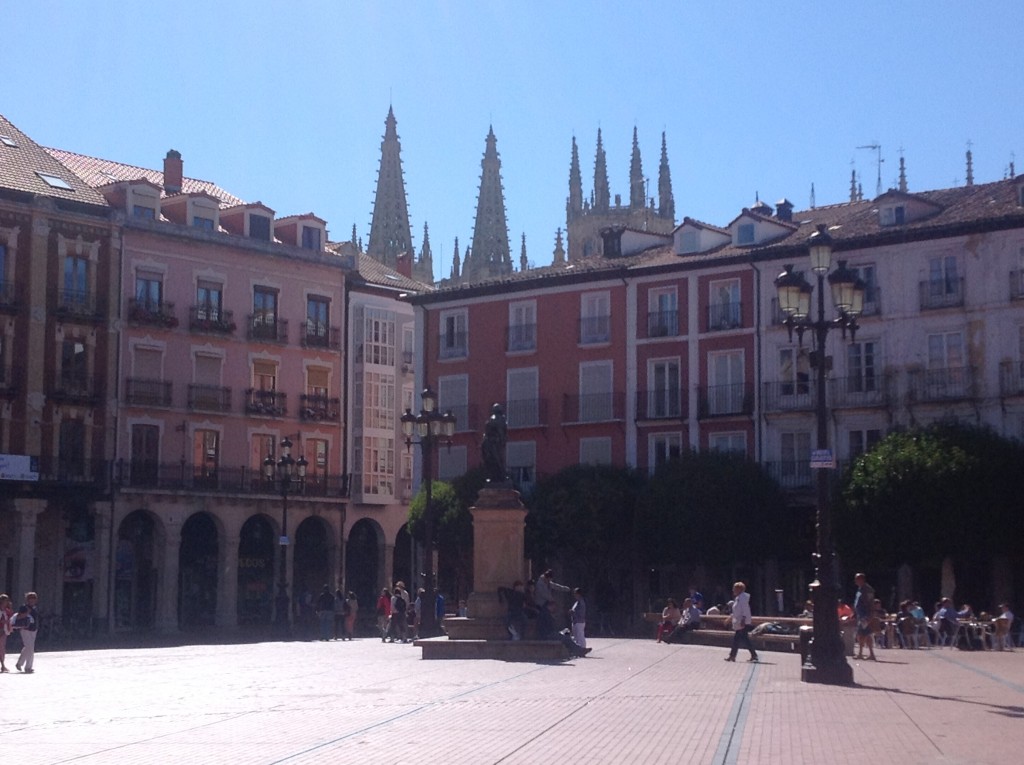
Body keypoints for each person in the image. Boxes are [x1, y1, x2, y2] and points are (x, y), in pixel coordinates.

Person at [724, 582, 757, 663]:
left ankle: (732, 656)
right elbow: (736, 611)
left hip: (742, 622)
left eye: (735, 588)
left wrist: (743, 620)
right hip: (739, 622)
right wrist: (729, 618)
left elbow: (745, 610)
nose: (733, 590)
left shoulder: (743, 598)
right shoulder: (738, 598)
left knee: (737, 639)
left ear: (739, 589)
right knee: (744, 639)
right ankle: (753, 655)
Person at [533, 569, 570, 639]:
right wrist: (552, 600)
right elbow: (544, 594)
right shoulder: (539, 584)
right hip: (540, 604)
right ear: (545, 577)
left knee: (553, 614)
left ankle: (552, 630)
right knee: (547, 616)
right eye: (548, 580)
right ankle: (547, 633)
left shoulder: (548, 582)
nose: (549, 581)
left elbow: (555, 586)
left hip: (546, 602)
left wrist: (564, 588)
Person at [13, 591, 39, 673]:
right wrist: (27, 612)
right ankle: (28, 667)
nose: (32, 600)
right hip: (25, 629)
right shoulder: (24, 607)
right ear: (27, 599)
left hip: (33, 629)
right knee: (30, 648)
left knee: (28, 647)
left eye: (34, 598)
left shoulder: (35, 608)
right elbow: (19, 617)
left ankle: (19, 663)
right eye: (30, 598)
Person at [853, 573, 876, 660]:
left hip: (865, 615)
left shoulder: (867, 589)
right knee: (864, 634)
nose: (855, 581)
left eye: (857, 579)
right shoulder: (860, 589)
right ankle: (867, 653)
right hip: (861, 615)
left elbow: (870, 603)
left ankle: (863, 654)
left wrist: (869, 615)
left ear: (861, 579)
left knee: (863, 634)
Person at [0, 593, 12, 673]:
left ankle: (3, 665)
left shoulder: (6, 610)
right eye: (4, 601)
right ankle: (3, 665)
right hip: (1, 629)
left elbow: (10, 617)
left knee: (2, 648)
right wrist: (4, 621)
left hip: (4, 630)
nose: (6, 602)